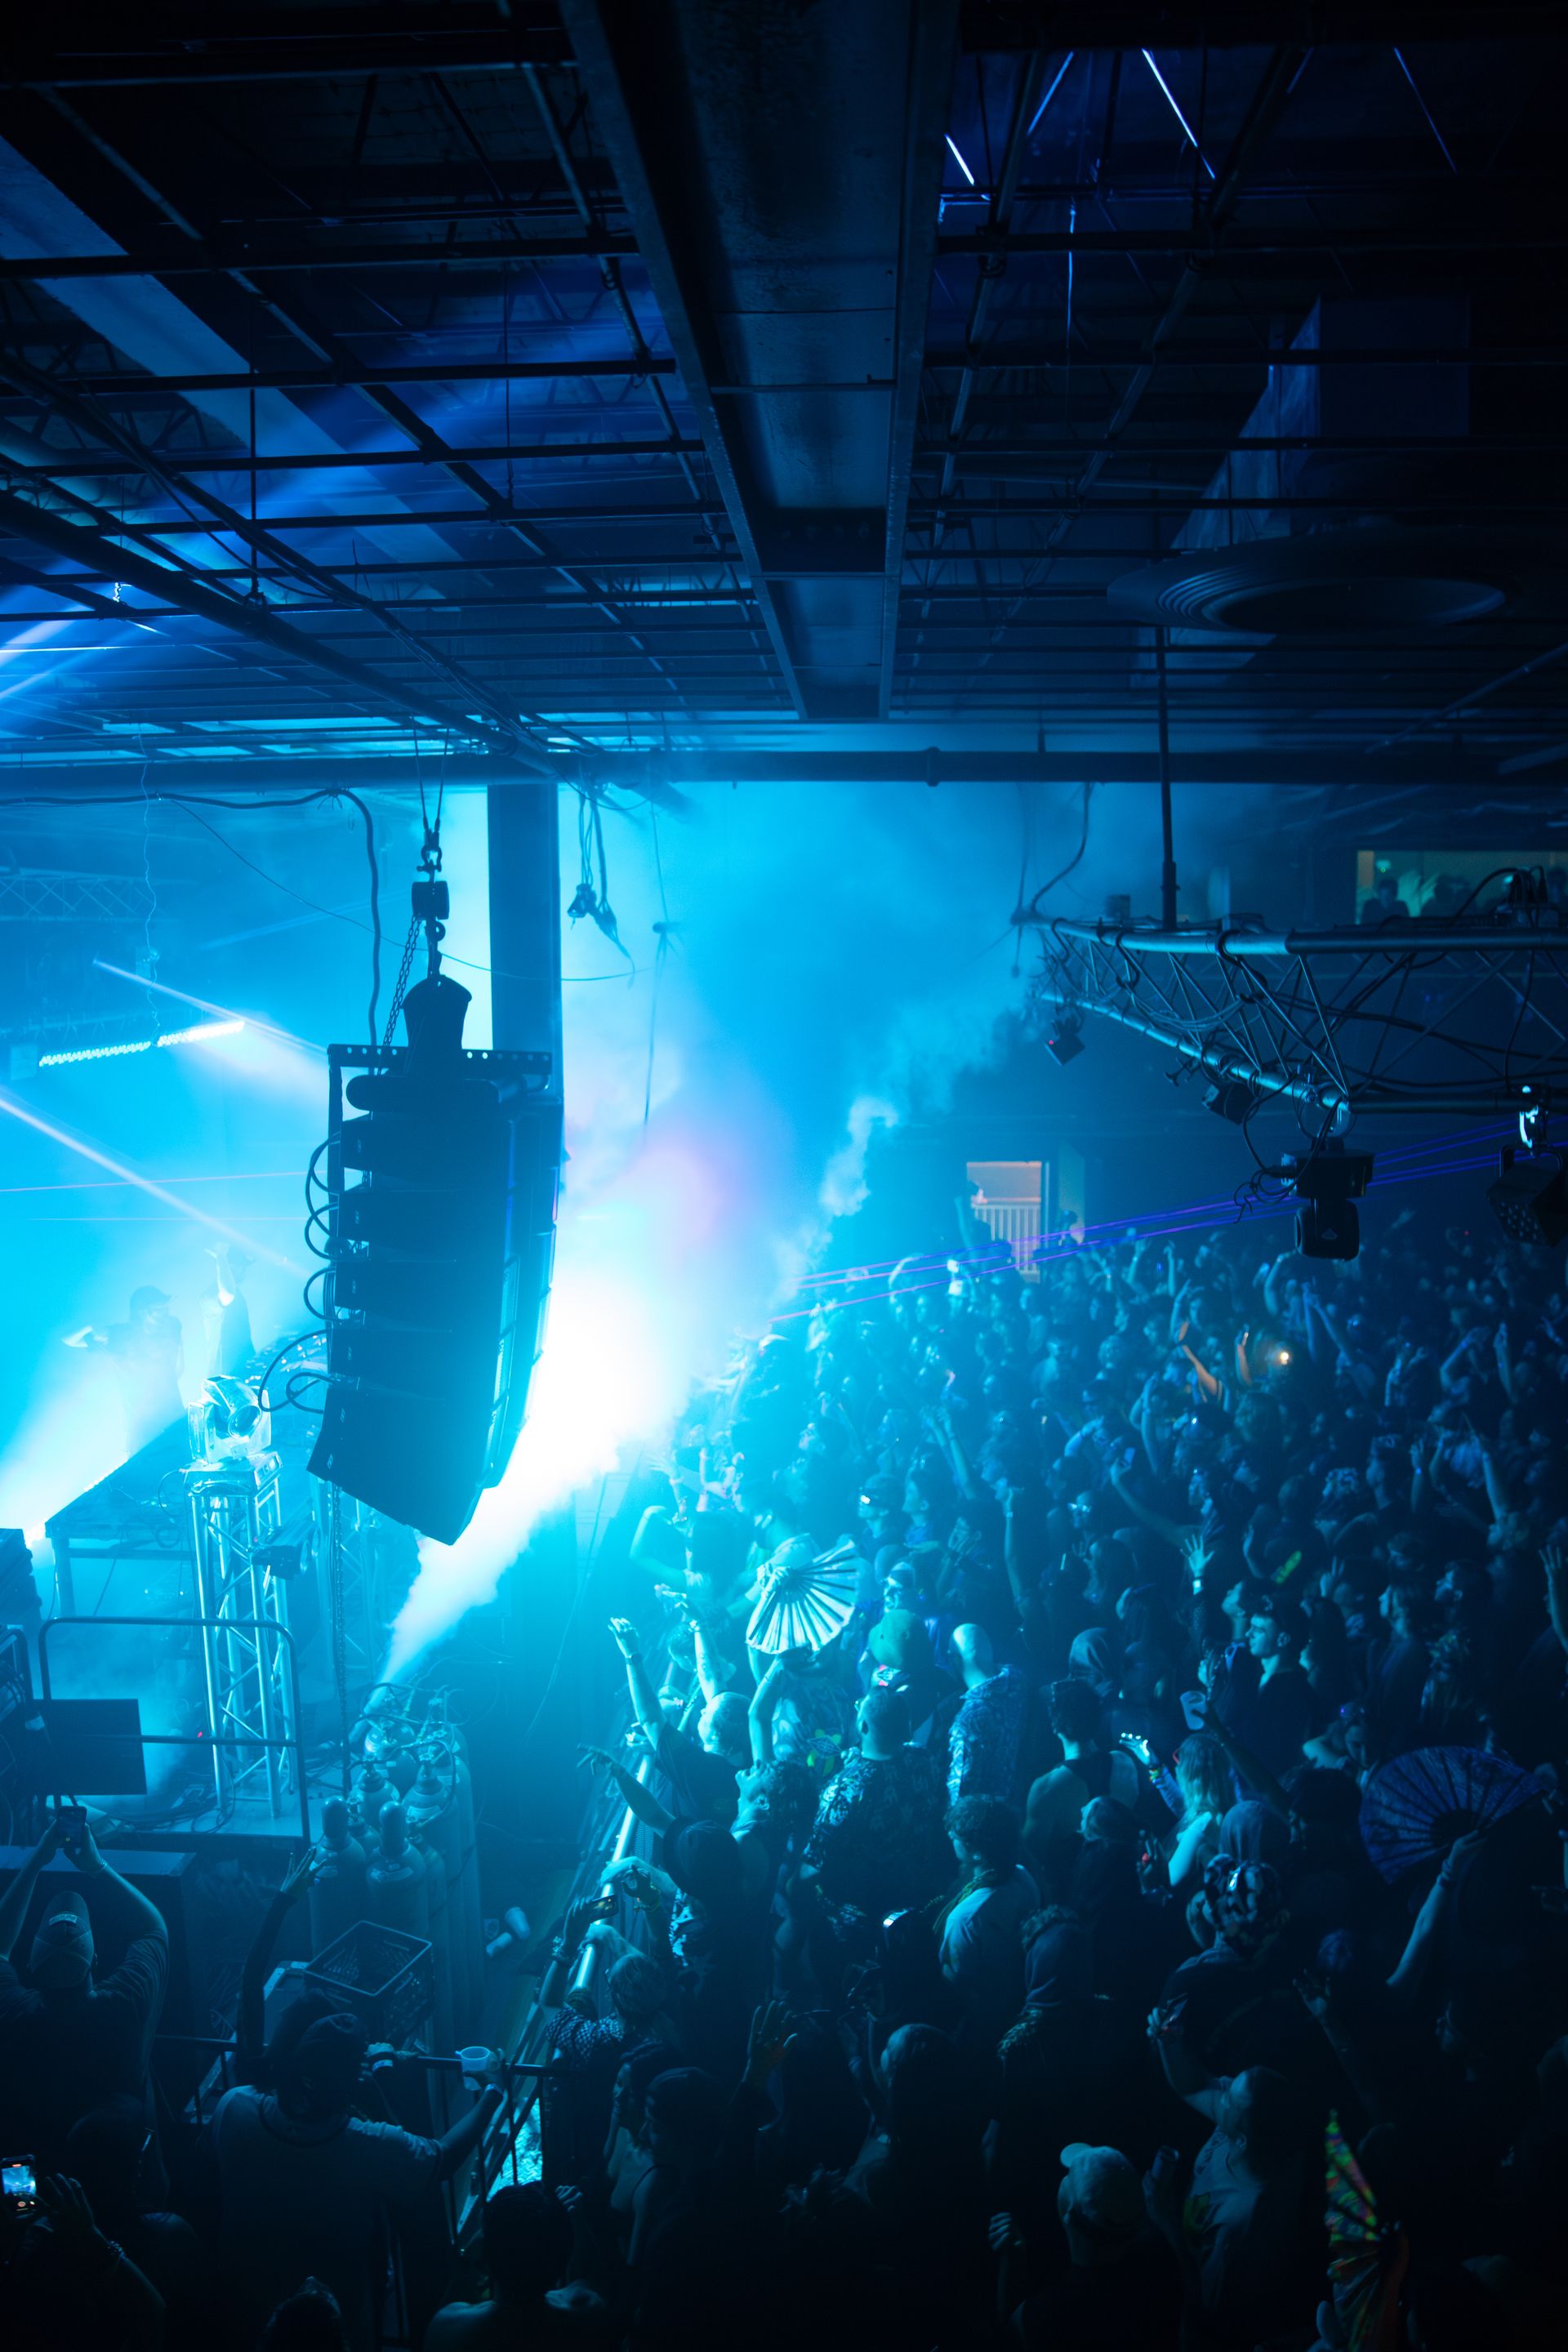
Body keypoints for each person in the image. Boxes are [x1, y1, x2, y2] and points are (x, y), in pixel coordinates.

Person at [210, 2009, 504, 2349]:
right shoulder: (361, 2144)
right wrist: (492, 2093)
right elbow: (441, 2158)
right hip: (336, 2312)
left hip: (246, 2300)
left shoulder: (235, 2105)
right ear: (351, 2080)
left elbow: (209, 2167)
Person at [0, 1820, 169, 2171]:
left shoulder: (12, 2012)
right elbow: (153, 1927)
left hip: (44, 2175)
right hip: (130, 2176)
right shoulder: (127, 2002)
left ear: (29, 1968)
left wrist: (36, 1861)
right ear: (95, 1962)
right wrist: (96, 1865)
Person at [992, 2142, 1179, 2350]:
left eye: (1070, 2176)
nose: (1066, 2176)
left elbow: (1011, 2331)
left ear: (1069, 2215)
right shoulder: (1161, 2269)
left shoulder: (1052, 2315)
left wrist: (1013, 2257)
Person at [425, 2184, 609, 2346]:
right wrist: (573, 2219)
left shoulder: (449, 2329)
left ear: (484, 2253)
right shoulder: (589, 2313)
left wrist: (466, 2260)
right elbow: (583, 2277)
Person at [936, 1795, 1039, 2050]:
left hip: (979, 2024)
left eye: (957, 1835)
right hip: (1014, 2001)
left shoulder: (966, 1918)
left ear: (978, 1852)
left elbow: (953, 1987)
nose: (950, 1835)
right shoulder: (1023, 1877)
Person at [63, 1285, 184, 1454]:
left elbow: (179, 1364)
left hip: (175, 1417)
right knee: (147, 1472)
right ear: (142, 1312)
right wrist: (90, 1329)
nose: (166, 1312)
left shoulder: (172, 1326)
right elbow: (69, 1340)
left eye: (166, 1308)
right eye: (159, 1309)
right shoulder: (120, 1336)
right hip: (144, 1428)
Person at [202, 1246, 255, 1377]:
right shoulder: (210, 1296)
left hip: (242, 1366)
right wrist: (220, 1256)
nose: (244, 1270)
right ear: (229, 1267)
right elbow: (228, 1294)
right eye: (241, 1266)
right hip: (225, 1374)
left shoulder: (238, 1293)